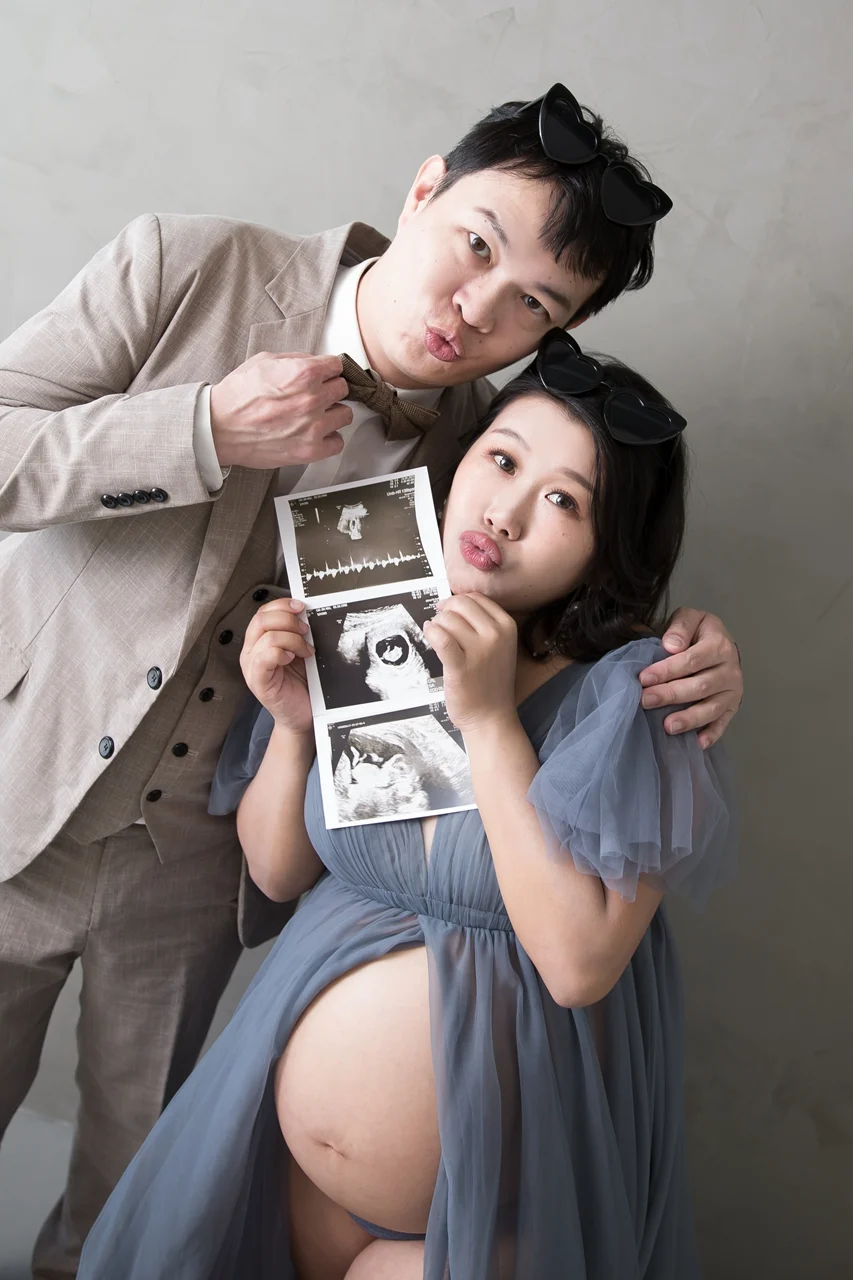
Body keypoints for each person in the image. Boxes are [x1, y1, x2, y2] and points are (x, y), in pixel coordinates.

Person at [0, 85, 742, 1276]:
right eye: (477, 245)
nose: (478, 309)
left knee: (126, 1218)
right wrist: (198, 429)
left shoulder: (475, 457)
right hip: (19, 795)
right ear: (424, 188)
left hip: (197, 876)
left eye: (534, 304)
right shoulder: (187, 267)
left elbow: (582, 582)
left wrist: (696, 648)